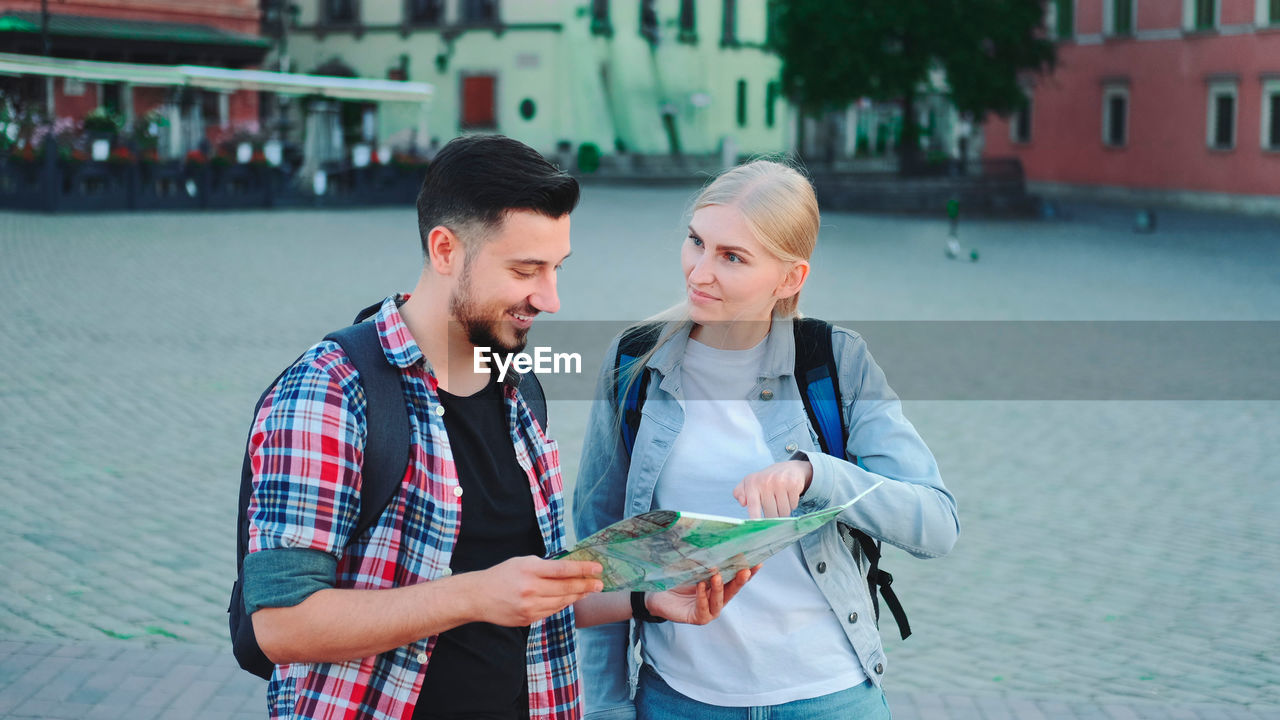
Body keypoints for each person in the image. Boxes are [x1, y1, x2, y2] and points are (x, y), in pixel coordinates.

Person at [242, 134, 752, 720]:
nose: (551, 297)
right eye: (525, 269)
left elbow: (524, 592)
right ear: (444, 250)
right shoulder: (331, 390)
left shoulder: (517, 386)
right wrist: (474, 593)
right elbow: (280, 624)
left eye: (556, 268)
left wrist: (647, 599)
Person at [573, 160, 960, 719]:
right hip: (680, 701)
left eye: (732, 257)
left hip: (830, 699)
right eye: (696, 242)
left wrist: (816, 475)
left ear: (789, 279)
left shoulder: (836, 362)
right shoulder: (635, 362)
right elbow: (599, 548)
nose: (699, 272)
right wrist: (606, 706)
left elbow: (937, 523)